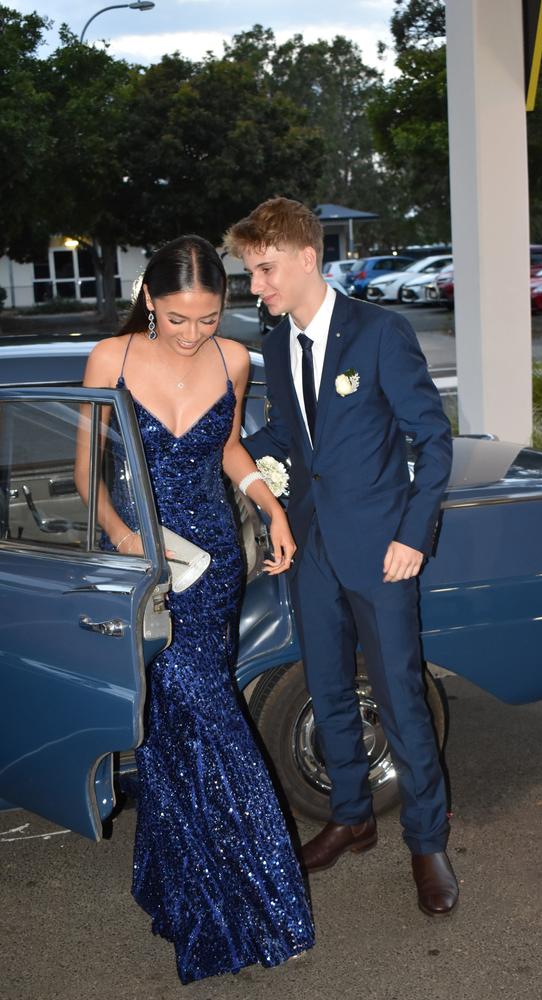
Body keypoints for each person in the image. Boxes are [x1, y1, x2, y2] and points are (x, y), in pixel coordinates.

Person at [78, 235, 314, 983]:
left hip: (211, 564)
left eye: (208, 318)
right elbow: (88, 470)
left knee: (187, 713)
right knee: (191, 712)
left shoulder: (233, 361)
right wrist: (125, 539)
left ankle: (193, 887)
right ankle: (243, 891)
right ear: (149, 298)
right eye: (178, 318)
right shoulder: (109, 359)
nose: (192, 335)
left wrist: (269, 507)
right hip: (144, 564)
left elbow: (230, 448)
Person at [224, 198, 459, 918]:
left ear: (303, 258)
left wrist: (413, 537)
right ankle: (352, 817)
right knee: (327, 689)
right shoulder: (274, 345)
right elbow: (295, 445)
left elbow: (433, 441)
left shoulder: (381, 332)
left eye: (263, 270)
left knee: (399, 698)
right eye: (250, 272)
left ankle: (427, 842)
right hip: (312, 549)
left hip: (384, 552)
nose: (256, 285)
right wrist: (232, 460)